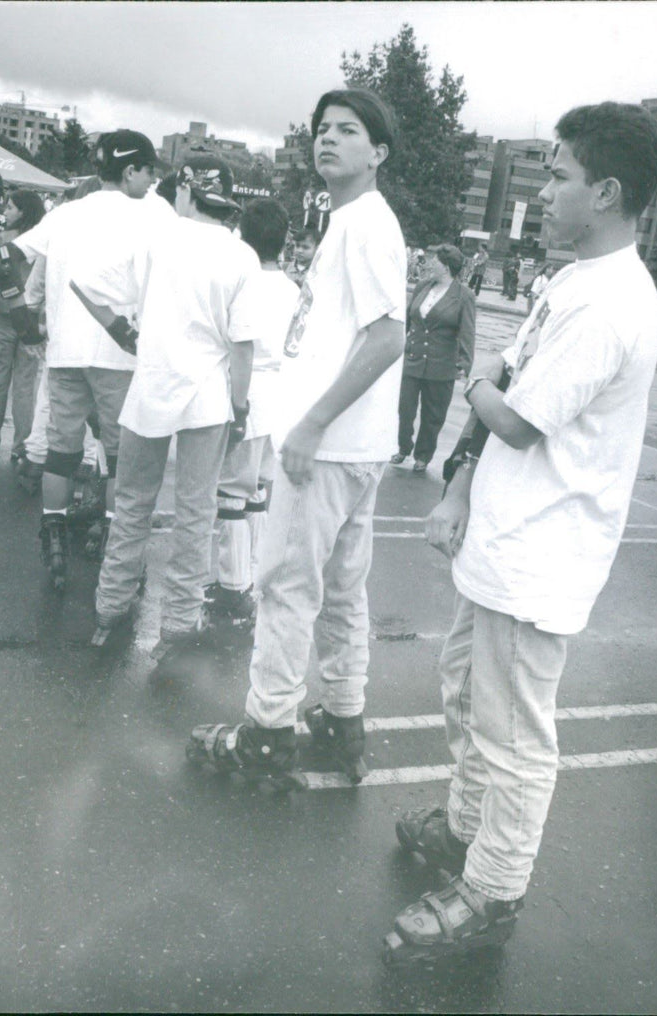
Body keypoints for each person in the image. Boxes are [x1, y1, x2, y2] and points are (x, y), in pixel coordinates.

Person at [385, 101, 657, 965]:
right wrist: (461, 485)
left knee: (515, 733)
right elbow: (499, 396)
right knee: (467, 688)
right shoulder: (566, 281)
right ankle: (468, 828)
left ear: (608, 191)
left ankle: (493, 888)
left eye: (559, 175)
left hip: (542, 555)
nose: (545, 192)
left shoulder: (611, 302)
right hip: (503, 538)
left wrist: (472, 382)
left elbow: (514, 415)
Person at [186, 87, 406, 788]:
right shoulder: (349, 221)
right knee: (342, 593)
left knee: (284, 587)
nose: (328, 138)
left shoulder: (367, 223)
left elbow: (388, 336)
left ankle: (268, 732)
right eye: (322, 129)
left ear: (378, 153)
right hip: (354, 447)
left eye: (348, 130)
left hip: (329, 447)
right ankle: (342, 722)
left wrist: (309, 424)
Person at [72, 153, 259, 648]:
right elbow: (243, 347)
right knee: (196, 512)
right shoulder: (241, 256)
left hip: (150, 389)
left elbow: (85, 282)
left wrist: (122, 331)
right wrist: (241, 407)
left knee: (132, 504)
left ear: (187, 190)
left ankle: (108, 608)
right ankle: (179, 621)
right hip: (209, 399)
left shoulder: (157, 239)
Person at [5, 129, 173, 590]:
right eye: (149, 169)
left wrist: (22, 318)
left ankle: (54, 534)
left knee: (62, 451)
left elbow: (5, 259)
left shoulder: (66, 212)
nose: (154, 179)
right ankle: (116, 543)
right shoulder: (155, 214)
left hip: (64, 352)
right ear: (130, 170)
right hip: (119, 354)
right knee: (120, 458)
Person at [205, 196, 300, 624]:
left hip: (246, 389)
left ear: (243, 235)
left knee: (231, 495)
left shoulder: (240, 280)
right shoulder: (295, 290)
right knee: (259, 492)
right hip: (282, 394)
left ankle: (232, 584)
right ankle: (252, 574)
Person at [0, 189, 46, 461]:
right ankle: (21, 447)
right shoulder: (44, 243)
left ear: (23, 211)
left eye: (11, 207)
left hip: (4, 318)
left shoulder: (3, 240)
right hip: (31, 322)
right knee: (26, 387)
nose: (6, 211)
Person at [390, 244, 475, 472]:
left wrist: (465, 363)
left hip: (441, 365)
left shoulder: (464, 296)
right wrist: (399, 344)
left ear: (446, 267)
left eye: (434, 261)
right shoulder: (422, 286)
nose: (429, 264)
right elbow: (408, 320)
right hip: (413, 359)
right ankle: (403, 447)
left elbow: (467, 332)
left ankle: (423, 456)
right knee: (404, 408)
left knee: (433, 415)